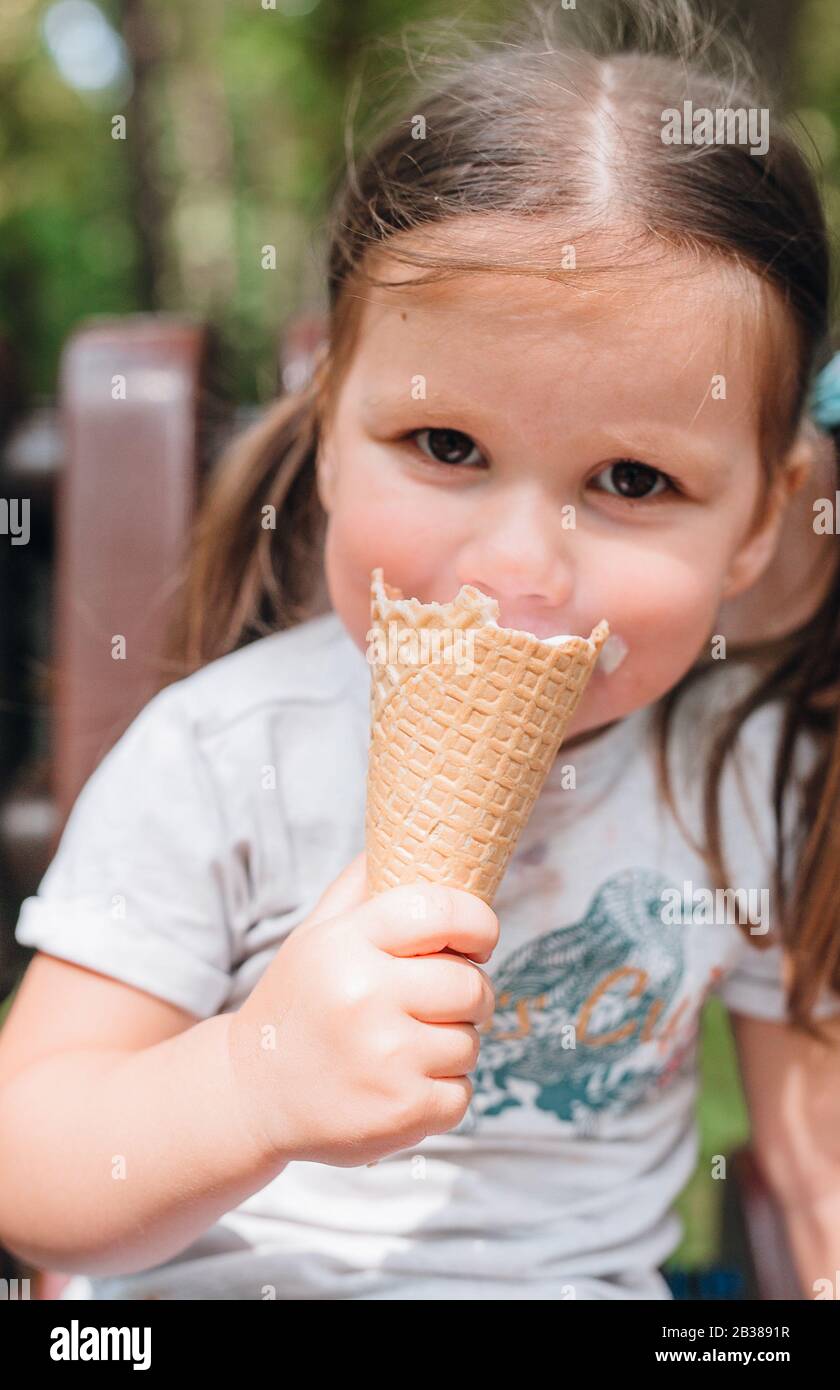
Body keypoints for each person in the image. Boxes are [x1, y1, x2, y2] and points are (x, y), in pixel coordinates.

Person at [1, 0, 839, 1301]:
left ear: (760, 520)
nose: (521, 566)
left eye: (633, 479)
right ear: (332, 435)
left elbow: (812, 1172)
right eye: (446, 447)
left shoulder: (745, 780)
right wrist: (252, 1081)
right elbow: (30, 1171)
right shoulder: (224, 760)